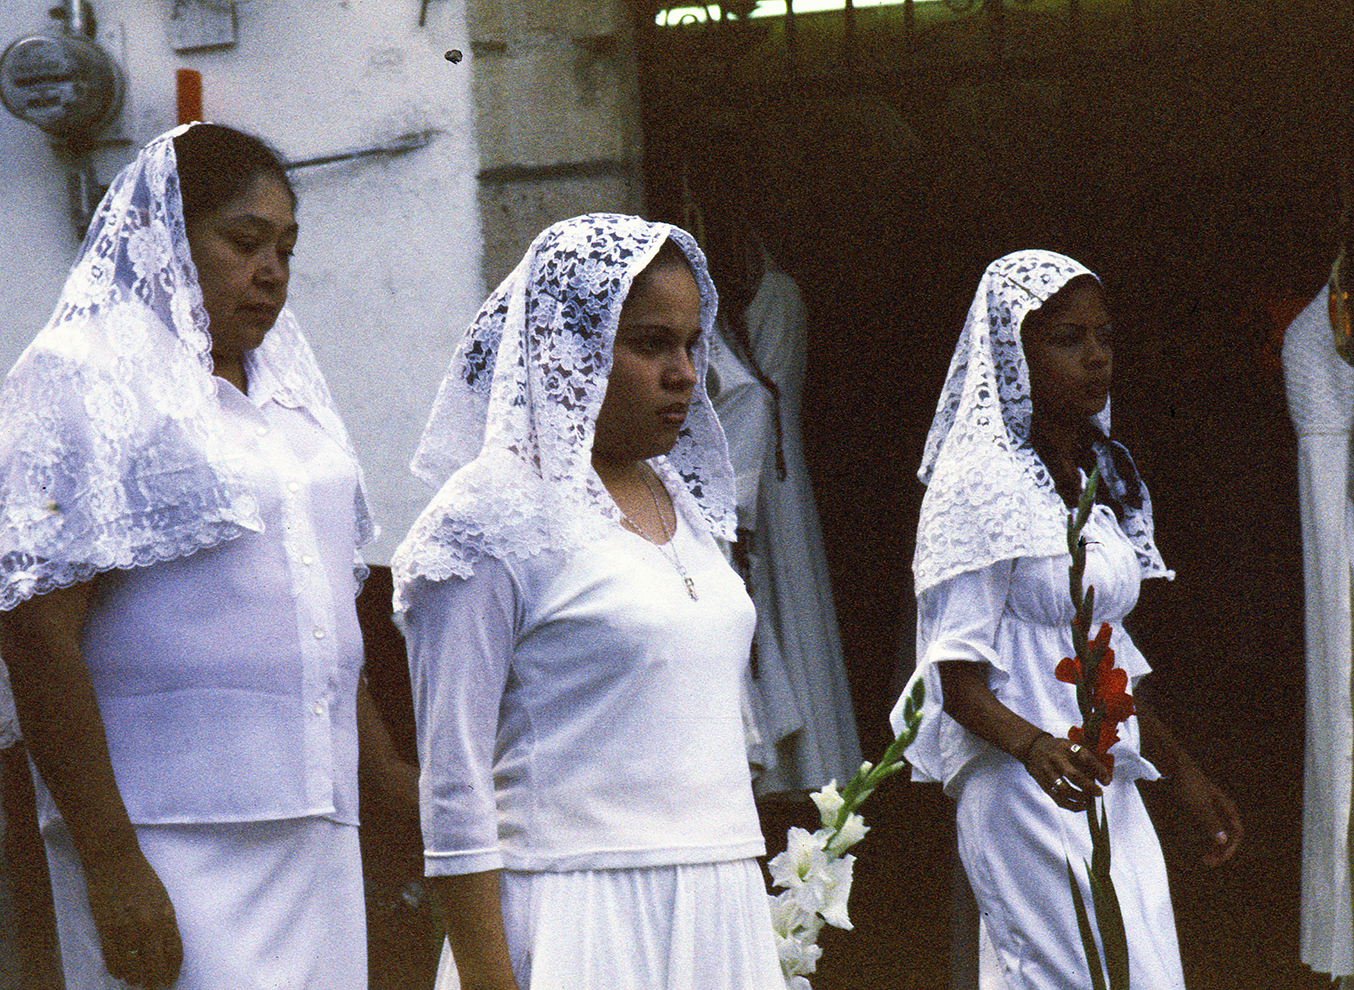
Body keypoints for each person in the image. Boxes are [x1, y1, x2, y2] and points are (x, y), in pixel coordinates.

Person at [0, 123, 411, 990]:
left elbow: (318, 600)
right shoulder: (82, 373)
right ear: (165, 239)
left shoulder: (287, 389)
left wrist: (384, 778)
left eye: (287, 249)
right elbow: (34, 626)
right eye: (244, 241)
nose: (271, 272)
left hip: (312, 824)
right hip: (166, 831)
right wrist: (111, 861)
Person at [392, 213, 785, 990]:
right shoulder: (490, 518)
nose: (685, 371)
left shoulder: (685, 501)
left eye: (691, 342)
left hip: (719, 903)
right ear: (567, 349)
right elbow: (453, 784)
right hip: (579, 916)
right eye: (648, 344)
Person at [891, 250, 1244, 990]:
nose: (1095, 357)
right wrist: (1034, 747)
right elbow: (950, 678)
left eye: (1105, 338)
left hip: (1105, 780)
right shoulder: (976, 484)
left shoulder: (1092, 475)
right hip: (1023, 790)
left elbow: (1107, 648)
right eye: (1066, 339)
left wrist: (1181, 772)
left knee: (1145, 975)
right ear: (1012, 354)